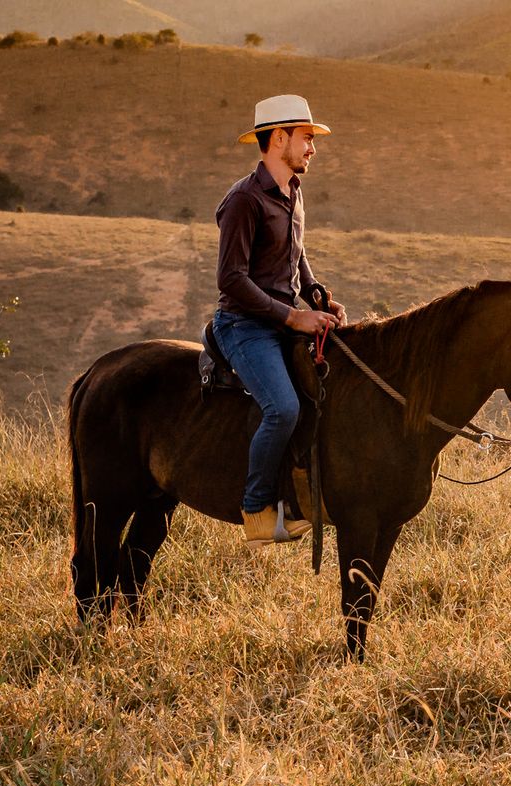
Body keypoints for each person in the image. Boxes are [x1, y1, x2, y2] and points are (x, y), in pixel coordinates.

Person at [213, 94, 348, 546]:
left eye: (312, 138)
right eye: (306, 138)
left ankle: (301, 497)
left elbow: (296, 256)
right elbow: (231, 279)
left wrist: (318, 297)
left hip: (283, 319)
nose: (312, 148)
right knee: (283, 408)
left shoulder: (293, 190)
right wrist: (293, 317)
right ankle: (256, 511)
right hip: (245, 326)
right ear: (277, 139)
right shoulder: (243, 201)